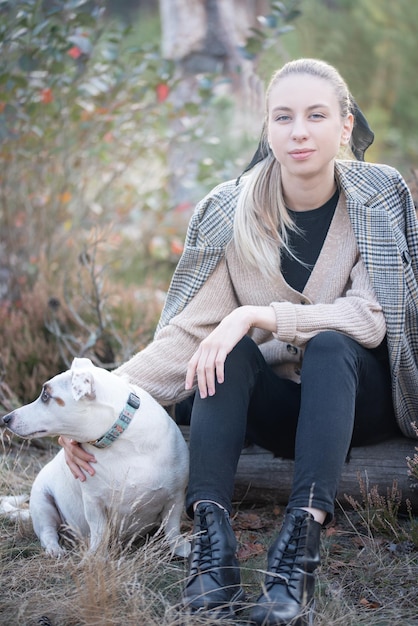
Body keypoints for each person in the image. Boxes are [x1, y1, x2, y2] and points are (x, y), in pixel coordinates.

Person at [60, 58, 418, 625]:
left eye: (316, 115)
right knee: (225, 352)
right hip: (277, 414)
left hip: (356, 403)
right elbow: (188, 334)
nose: (299, 130)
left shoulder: (377, 198)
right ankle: (213, 546)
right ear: (268, 127)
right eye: (284, 117)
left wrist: (259, 313)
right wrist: (95, 404)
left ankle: (298, 550)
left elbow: (371, 318)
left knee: (329, 344)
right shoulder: (232, 212)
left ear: (345, 125)